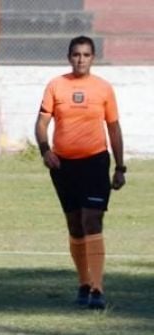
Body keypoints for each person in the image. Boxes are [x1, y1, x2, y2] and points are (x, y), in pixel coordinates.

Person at [34, 35, 126, 310]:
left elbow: (114, 128)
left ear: (93, 58)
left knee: (92, 222)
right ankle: (83, 284)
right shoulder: (56, 86)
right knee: (75, 224)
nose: (81, 59)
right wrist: (45, 150)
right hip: (64, 166)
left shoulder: (104, 89)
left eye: (86, 55)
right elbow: (41, 124)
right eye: (76, 54)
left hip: (95, 163)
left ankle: (98, 289)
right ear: (69, 57)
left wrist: (120, 167)